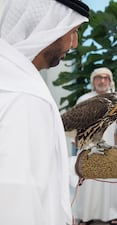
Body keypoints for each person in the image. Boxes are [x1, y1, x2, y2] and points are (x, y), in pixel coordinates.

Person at [0, 0, 89, 224]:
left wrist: (78, 166)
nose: (75, 43)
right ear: (48, 27)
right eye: (73, 31)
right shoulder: (25, 96)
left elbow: (32, 170)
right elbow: (15, 193)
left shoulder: (10, 79)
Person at [74, 67, 117, 225]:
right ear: (93, 81)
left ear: (110, 81)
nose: (102, 81)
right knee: (88, 186)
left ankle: (112, 215)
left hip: (110, 148)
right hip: (88, 149)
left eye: (106, 78)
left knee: (109, 186)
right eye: (99, 77)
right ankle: (85, 216)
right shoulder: (83, 100)